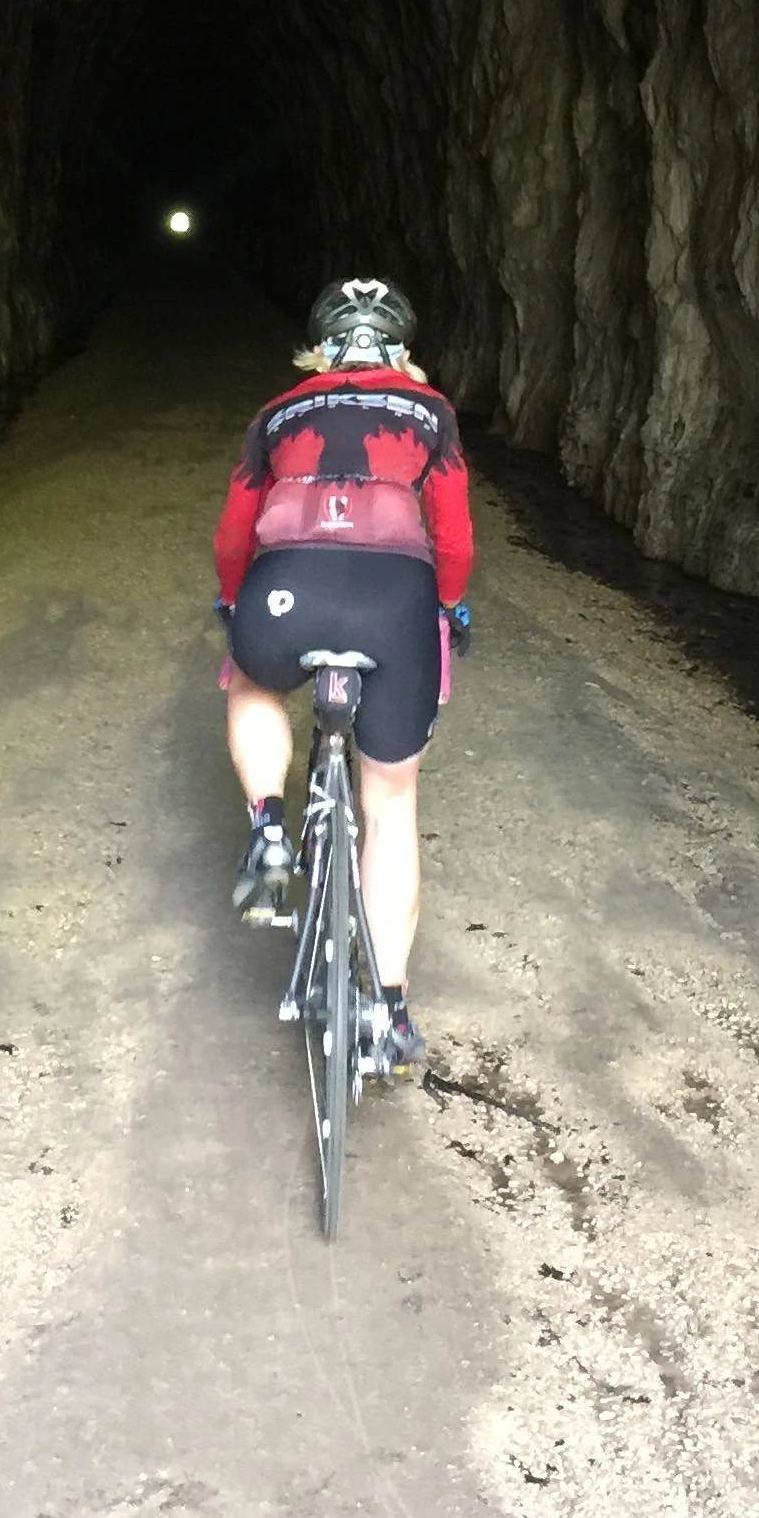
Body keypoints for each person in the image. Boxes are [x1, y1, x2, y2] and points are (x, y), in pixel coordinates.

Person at [212, 276, 473, 1075]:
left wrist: (234, 604)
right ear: (403, 351)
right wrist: (451, 610)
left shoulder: (277, 414)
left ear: (319, 350)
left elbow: (235, 532)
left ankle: (267, 828)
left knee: (254, 682)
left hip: (289, 586)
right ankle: (390, 1011)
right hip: (395, 597)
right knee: (391, 803)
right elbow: (453, 537)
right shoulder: (431, 415)